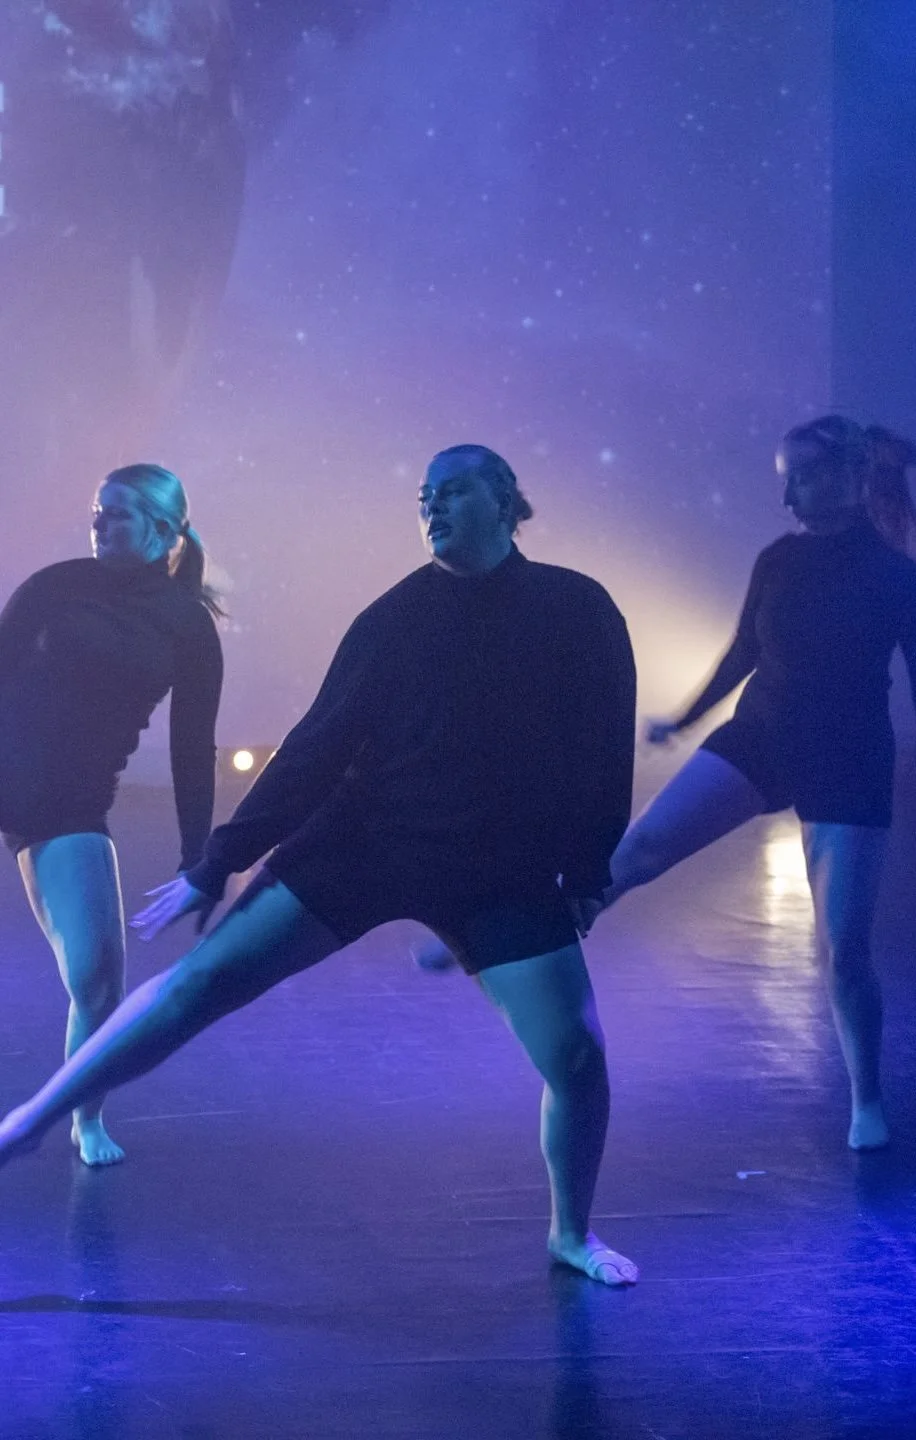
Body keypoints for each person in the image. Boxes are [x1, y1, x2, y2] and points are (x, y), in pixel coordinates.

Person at [0, 445, 638, 1286]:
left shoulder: (576, 607)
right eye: (423, 495)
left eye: (452, 492)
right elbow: (314, 748)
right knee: (199, 984)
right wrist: (218, 859)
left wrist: (587, 870)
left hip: (497, 865)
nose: (433, 507)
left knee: (577, 1058)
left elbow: (603, 744)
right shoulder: (393, 619)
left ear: (506, 502)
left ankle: (569, 1234)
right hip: (364, 844)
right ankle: (32, 1121)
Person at [605, 417, 916, 1152]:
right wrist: (683, 720)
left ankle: (865, 1097)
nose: (786, 494)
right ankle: (516, 938)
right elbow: (743, 649)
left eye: (801, 476)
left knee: (841, 950)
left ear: (847, 477)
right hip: (760, 735)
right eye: (783, 477)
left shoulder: (898, 578)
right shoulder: (777, 560)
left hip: (848, 758)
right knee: (639, 848)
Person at [0, 463, 223, 1165]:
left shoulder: (188, 625)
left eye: (117, 513)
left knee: (99, 979)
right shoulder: (55, 585)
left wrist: (199, 858)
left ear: (163, 529)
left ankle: (80, 1118)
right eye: (97, 511)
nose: (99, 523)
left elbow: (193, 749)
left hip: (66, 803)